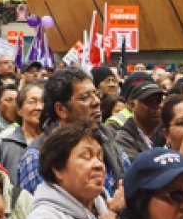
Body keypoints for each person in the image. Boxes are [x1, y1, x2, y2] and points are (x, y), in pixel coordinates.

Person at [23, 120, 122, 219]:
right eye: (86, 156)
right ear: (57, 169)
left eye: (99, 157)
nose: (98, 165)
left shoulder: (106, 207)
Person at [17, 67, 130, 195]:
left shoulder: (109, 141)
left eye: (96, 94)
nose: (96, 102)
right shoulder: (37, 157)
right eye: (85, 97)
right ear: (61, 109)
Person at [0, 82, 44, 185]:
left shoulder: (54, 140)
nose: (39, 107)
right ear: (19, 110)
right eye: (32, 102)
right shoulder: (8, 145)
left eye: (43, 102)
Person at [115, 81, 166, 159]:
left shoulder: (166, 131)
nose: (156, 106)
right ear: (132, 105)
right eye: (149, 102)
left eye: (158, 101)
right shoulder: (123, 139)